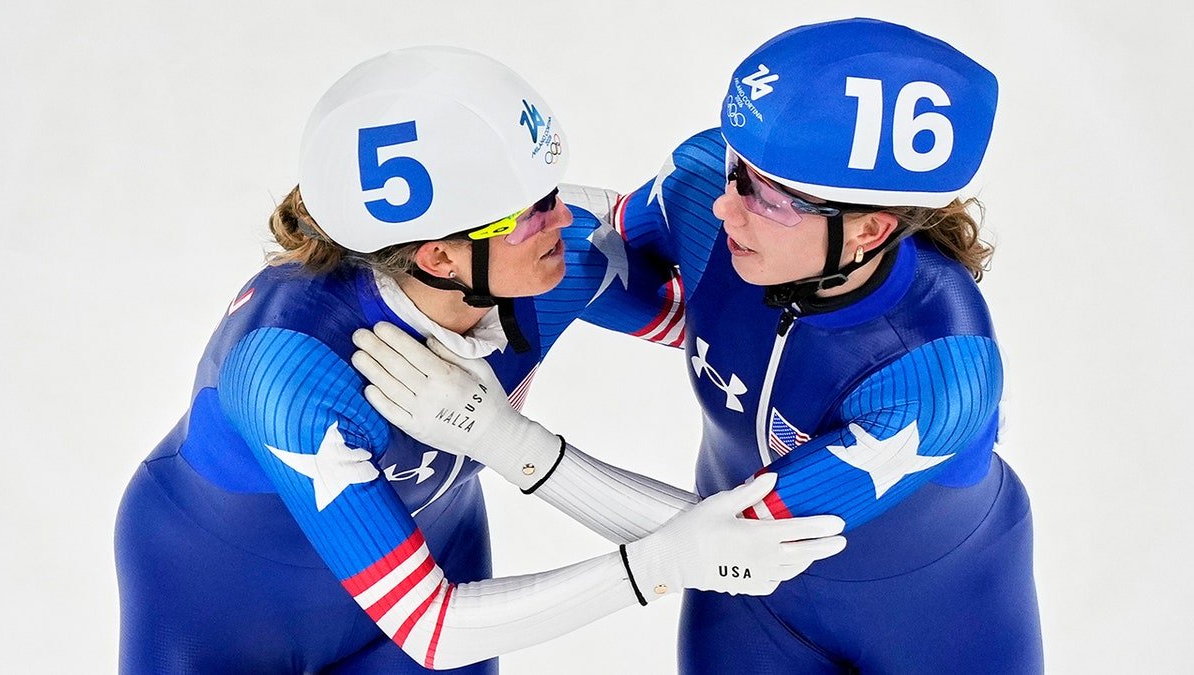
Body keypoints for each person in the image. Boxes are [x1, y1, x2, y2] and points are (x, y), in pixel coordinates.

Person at [113, 46, 848, 673]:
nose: (566, 216)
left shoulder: (554, 263)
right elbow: (429, 625)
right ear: (437, 254)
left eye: (550, 191)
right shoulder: (292, 372)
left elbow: (712, 333)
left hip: (438, 544)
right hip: (224, 596)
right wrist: (658, 563)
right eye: (531, 211)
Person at [353, 18, 1043, 673]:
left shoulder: (938, 372)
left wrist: (504, 438)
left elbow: (747, 539)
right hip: (750, 614)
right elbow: (583, 249)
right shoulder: (705, 186)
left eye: (769, 198)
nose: (725, 204)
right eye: (737, 167)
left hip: (939, 615)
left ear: (867, 232)